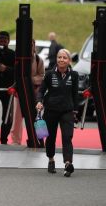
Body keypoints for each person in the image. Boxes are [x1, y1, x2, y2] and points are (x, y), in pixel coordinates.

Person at [36, 49, 79, 177]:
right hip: (51, 110)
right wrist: (39, 101)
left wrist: (75, 111)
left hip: (67, 111)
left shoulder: (74, 75)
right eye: (59, 57)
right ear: (56, 59)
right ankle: (51, 159)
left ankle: (67, 164)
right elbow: (41, 91)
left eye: (64, 58)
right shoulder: (49, 74)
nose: (61, 60)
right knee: (50, 138)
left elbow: (75, 94)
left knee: (67, 137)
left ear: (69, 60)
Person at [10, 39, 45, 145]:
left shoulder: (39, 60)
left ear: (34, 47)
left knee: (38, 116)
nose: (29, 47)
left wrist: (29, 80)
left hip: (35, 93)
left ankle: (41, 140)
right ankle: (15, 141)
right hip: (19, 93)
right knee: (17, 118)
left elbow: (42, 76)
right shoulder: (17, 59)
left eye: (31, 45)